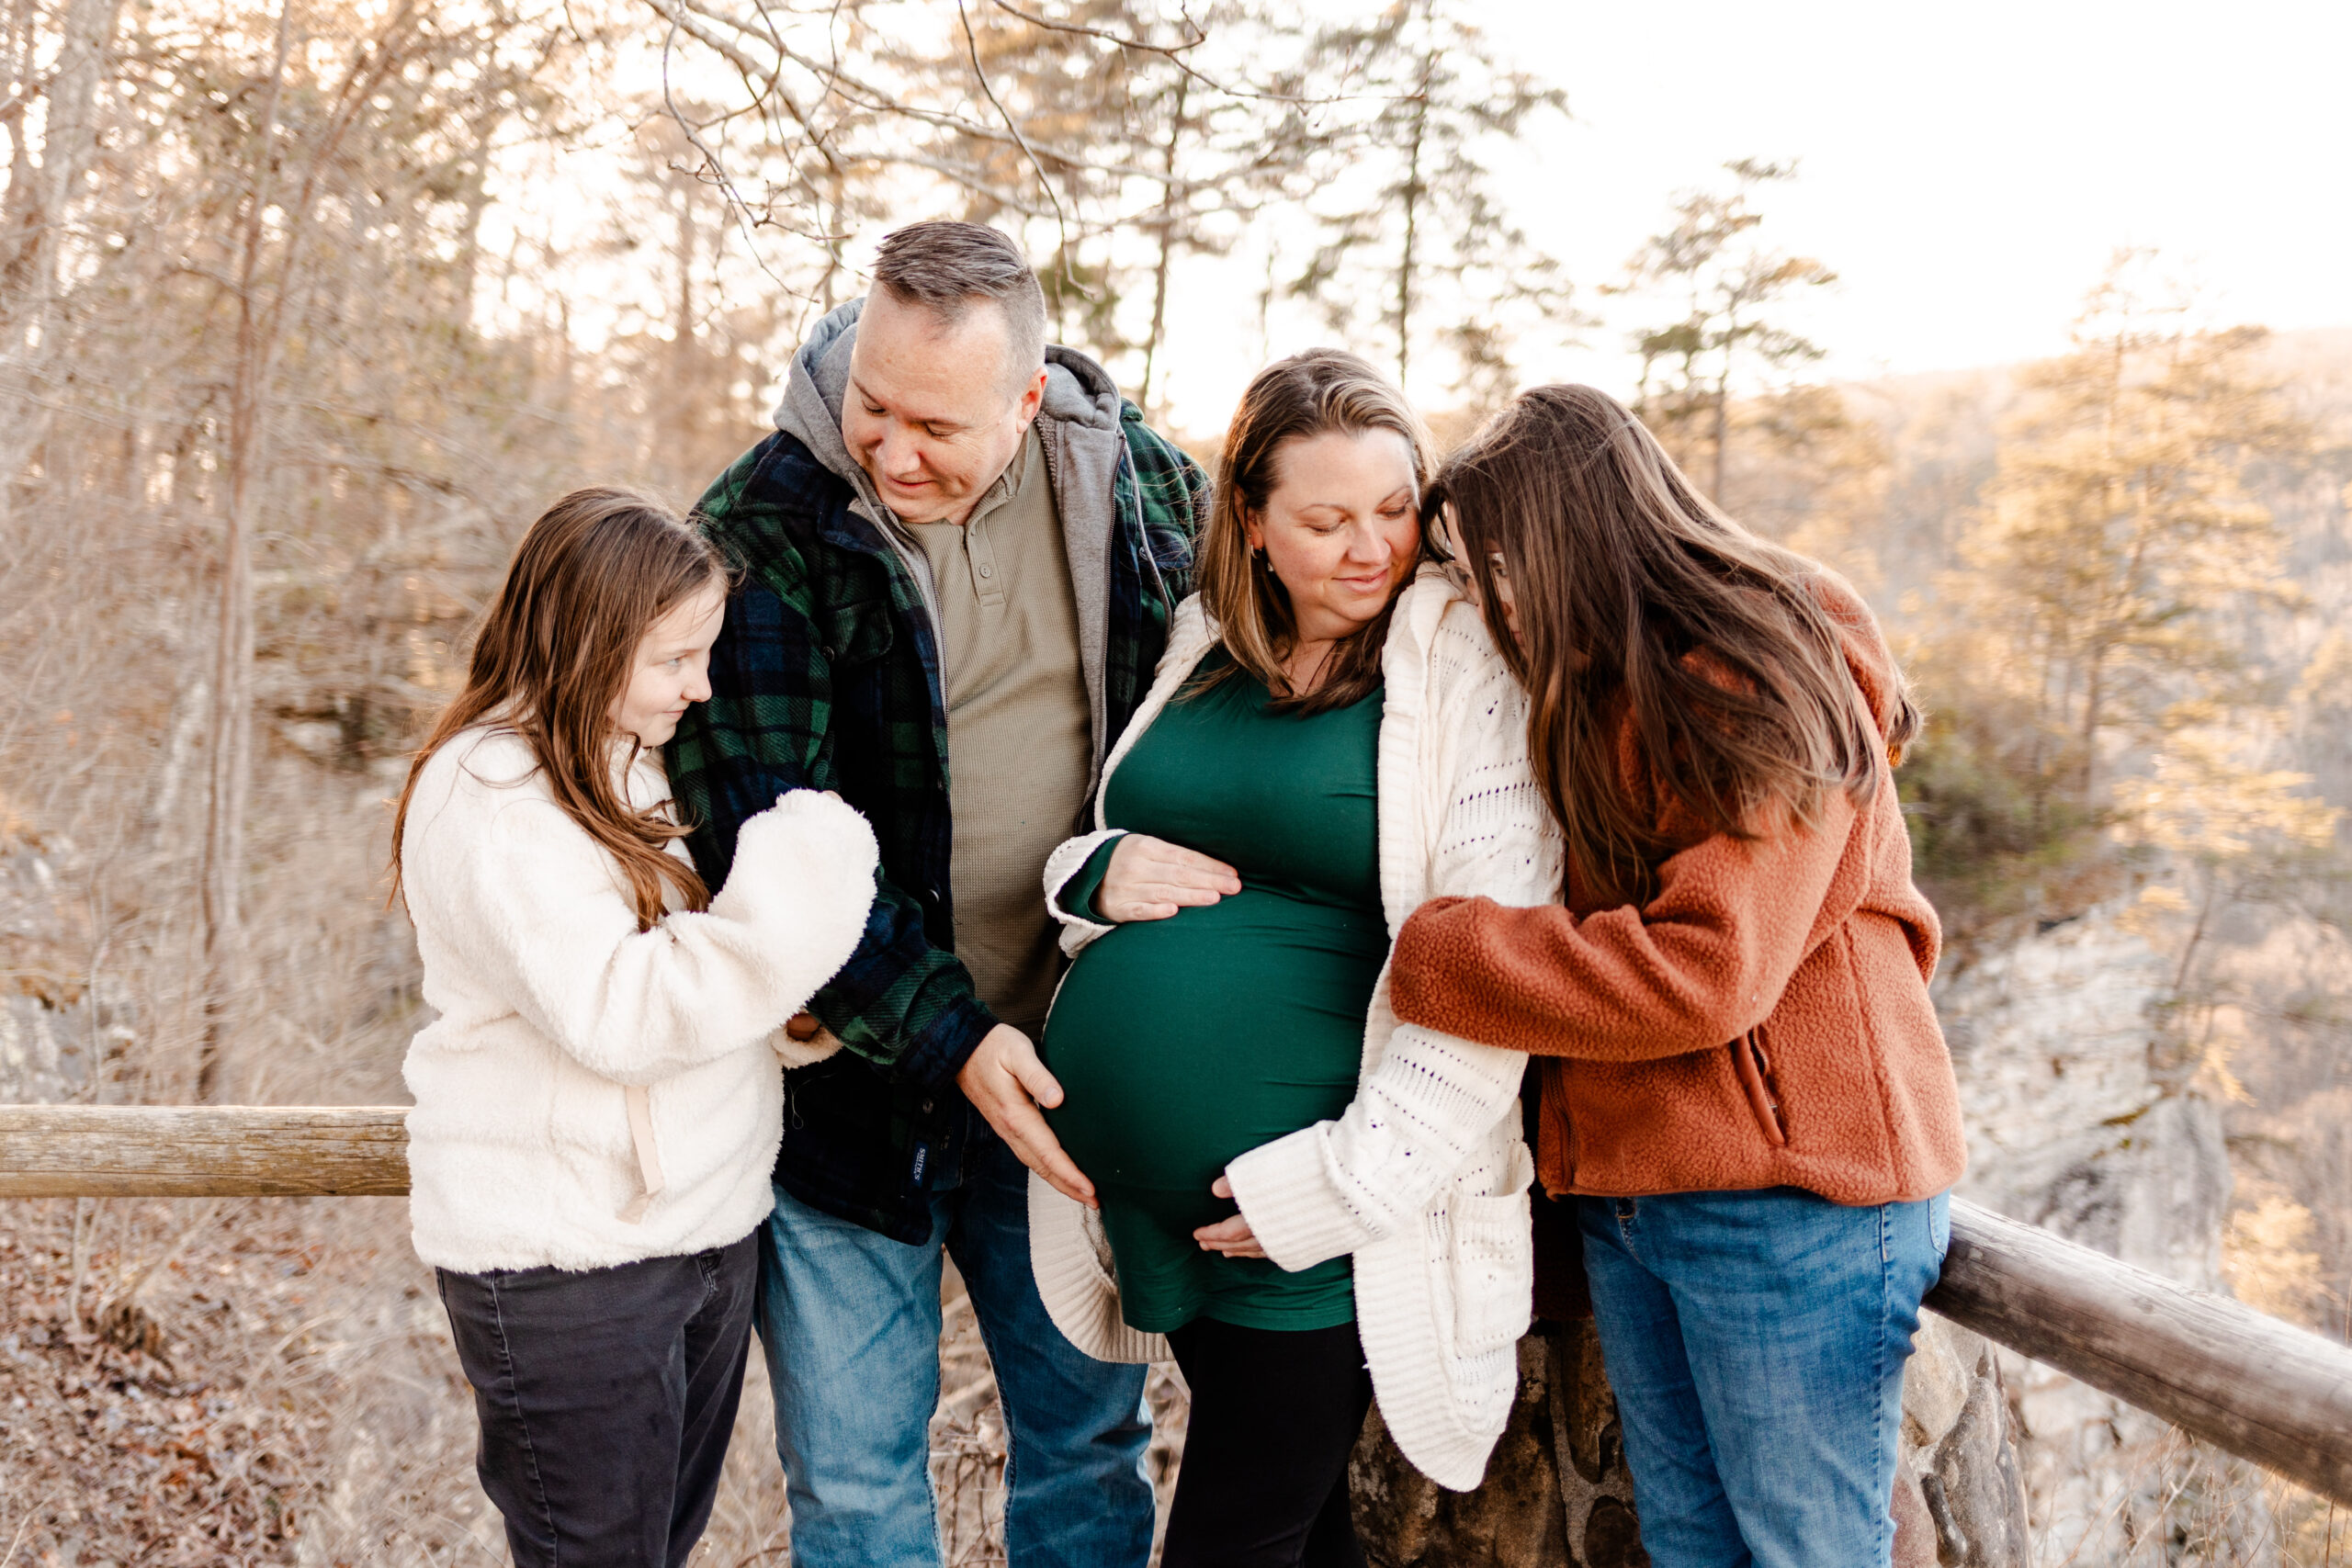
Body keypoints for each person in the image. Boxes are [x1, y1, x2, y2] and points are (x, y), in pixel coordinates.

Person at [663, 221, 1209, 1568]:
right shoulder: (761, 527)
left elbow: (1261, 691)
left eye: (937, 425)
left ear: (1028, 398)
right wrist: (951, 1035)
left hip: (1075, 1077)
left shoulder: (1145, 492)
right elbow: (757, 836)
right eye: (874, 405)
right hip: (845, 1090)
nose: (893, 450)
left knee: (1088, 1448)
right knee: (852, 1480)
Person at [1387, 384, 1967, 1568]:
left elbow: (1708, 970)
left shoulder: (1754, 670)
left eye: (1497, 563)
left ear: (1569, 542)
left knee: (1804, 1550)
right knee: (1692, 1547)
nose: (1489, 598)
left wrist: (1440, 953)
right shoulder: (1598, 683)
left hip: (1785, 1200)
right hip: (1640, 1198)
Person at [1026, 350, 1563, 1568]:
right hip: (1163, 1210)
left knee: (1231, 1538)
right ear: (1254, 526)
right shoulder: (1201, 641)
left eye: (1393, 509)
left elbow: (1492, 982)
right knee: (1302, 1535)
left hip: (1313, 1211)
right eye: (1325, 519)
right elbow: (1102, 849)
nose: (1370, 546)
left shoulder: (1466, 672)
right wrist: (1091, 872)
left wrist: (1339, 1186)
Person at [390, 488, 879, 1568]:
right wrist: (807, 889)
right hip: (566, 1263)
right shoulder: (493, 793)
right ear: (586, 641)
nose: (700, 687)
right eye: (674, 659)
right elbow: (621, 1011)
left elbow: (691, 974)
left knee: (660, 1546)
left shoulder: (631, 760)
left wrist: (789, 1019)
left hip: (699, 1232)